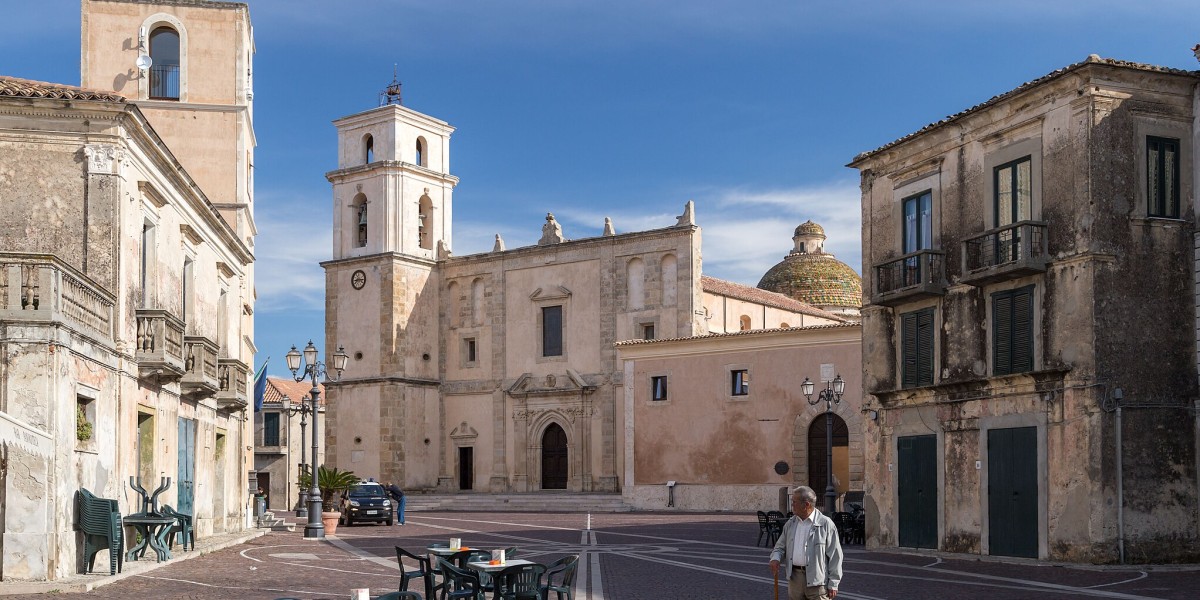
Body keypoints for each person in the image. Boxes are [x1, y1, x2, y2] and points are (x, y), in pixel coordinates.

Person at [768, 485, 843, 600]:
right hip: (795, 580)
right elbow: (780, 547)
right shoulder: (791, 524)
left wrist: (833, 583)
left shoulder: (826, 524)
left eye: (794, 502)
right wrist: (775, 558)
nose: (792, 505)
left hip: (817, 582)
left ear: (806, 504)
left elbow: (835, 556)